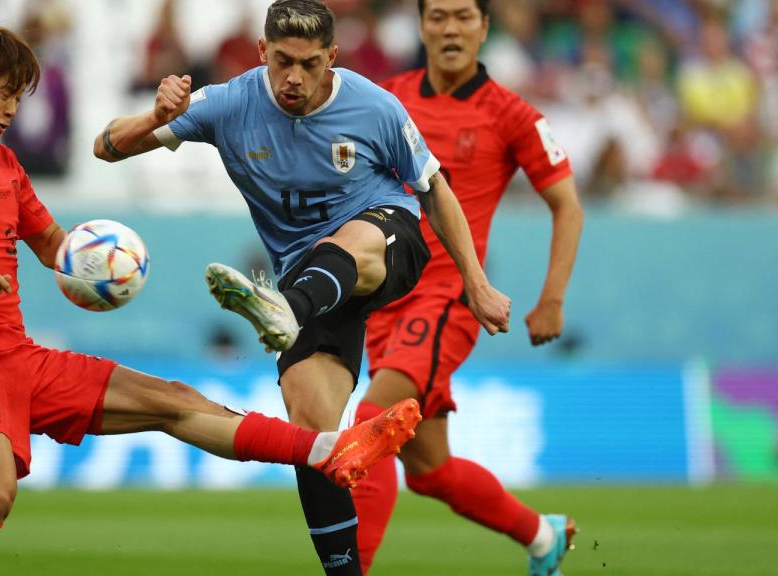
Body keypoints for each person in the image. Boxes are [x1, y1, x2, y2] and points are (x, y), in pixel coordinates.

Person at [0, 18, 423, 576]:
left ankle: (326, 451)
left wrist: (107, 261)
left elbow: (51, 245)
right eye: (4, 95)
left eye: (19, 98)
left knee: (170, 401)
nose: (12, 111)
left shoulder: (3, 163)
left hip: (19, 357)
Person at [93, 1, 511, 573]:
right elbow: (106, 146)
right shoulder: (229, 103)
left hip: (386, 241)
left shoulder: (374, 108)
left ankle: (282, 308)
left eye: (310, 64)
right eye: (283, 61)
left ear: (331, 59)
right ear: (262, 52)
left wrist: (477, 283)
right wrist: (156, 116)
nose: (294, 77)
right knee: (312, 437)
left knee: (352, 243)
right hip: (309, 281)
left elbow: (434, 189)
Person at [349, 1, 584, 575]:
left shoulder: (512, 115)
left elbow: (567, 204)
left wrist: (550, 298)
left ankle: (351, 568)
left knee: (371, 424)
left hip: (448, 298)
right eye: (438, 17)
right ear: (422, 26)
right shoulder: (386, 98)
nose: (450, 29)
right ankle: (541, 536)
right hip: (383, 298)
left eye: (463, 17)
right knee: (430, 472)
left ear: (484, 27)